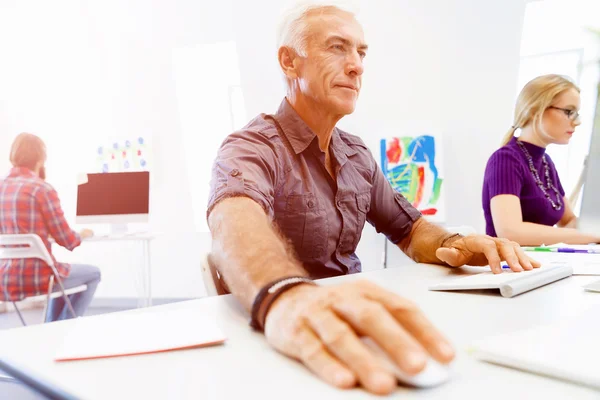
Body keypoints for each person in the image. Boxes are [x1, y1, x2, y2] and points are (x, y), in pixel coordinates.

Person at [207, 4, 537, 395]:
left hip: (356, 325)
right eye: (337, 48)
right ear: (289, 62)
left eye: (361, 53)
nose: (357, 66)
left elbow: (410, 229)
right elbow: (232, 222)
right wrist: (286, 295)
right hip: (288, 339)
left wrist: (454, 243)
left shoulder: (356, 154)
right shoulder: (250, 147)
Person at [482, 74, 600, 246]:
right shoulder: (506, 159)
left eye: (577, 114)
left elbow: (568, 222)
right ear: (535, 109)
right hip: (510, 268)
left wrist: (592, 226)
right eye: (569, 112)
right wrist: (588, 235)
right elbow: (510, 232)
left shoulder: (546, 163)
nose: (577, 122)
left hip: (540, 265)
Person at [0, 132, 101, 322]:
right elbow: (68, 240)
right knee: (93, 273)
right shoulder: (41, 189)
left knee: (59, 274)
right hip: (38, 278)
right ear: (41, 159)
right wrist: (81, 234)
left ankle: (50, 329)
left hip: (5, 279)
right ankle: (62, 329)